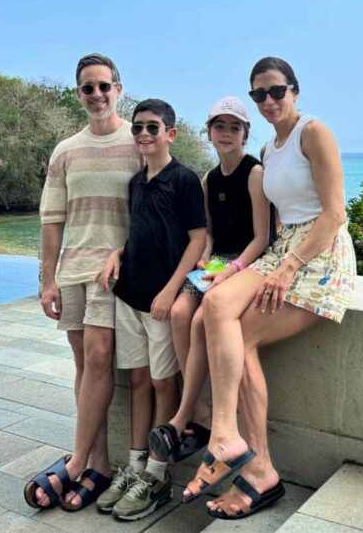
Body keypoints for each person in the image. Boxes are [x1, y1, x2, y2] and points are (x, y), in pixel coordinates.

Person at [182, 57, 357, 519]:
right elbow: (276, 222)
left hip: (319, 253)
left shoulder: (313, 132)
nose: (268, 101)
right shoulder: (269, 149)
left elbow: (335, 213)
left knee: (242, 339)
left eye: (276, 91)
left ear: (294, 90)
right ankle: (225, 432)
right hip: (283, 249)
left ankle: (258, 470)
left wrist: (287, 268)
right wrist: (243, 267)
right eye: (259, 94)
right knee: (216, 302)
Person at [25, 53, 141, 512]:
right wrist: (46, 279)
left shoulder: (139, 138)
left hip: (115, 273)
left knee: (98, 356)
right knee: (82, 362)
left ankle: (75, 464)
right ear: (79, 94)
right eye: (88, 88)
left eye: (104, 86)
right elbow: (52, 219)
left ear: (119, 88)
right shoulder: (66, 150)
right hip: (72, 268)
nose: (97, 94)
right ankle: (98, 463)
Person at [95, 99, 207, 521]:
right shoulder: (135, 183)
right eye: (138, 128)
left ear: (170, 134)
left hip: (161, 300)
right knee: (139, 379)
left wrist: (171, 291)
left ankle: (159, 475)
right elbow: (140, 232)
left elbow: (197, 239)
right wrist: (116, 253)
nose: (144, 135)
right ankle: (137, 465)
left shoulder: (184, 180)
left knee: (164, 383)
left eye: (152, 128)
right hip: (129, 294)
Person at [146, 96, 271, 466]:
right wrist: (205, 259)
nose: (226, 133)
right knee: (181, 311)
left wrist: (229, 270)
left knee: (203, 319)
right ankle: (198, 406)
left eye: (235, 127)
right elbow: (212, 234)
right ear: (210, 133)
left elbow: (262, 238)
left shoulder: (255, 173)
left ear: (245, 133)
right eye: (220, 126)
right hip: (217, 261)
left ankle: (184, 414)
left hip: (247, 262)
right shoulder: (208, 178)